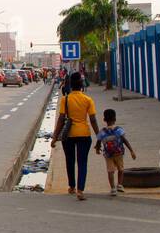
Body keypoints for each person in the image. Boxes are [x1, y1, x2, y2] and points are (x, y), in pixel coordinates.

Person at [51, 72, 100, 200]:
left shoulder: (65, 99)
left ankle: (71, 186)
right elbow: (93, 120)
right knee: (82, 162)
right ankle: (80, 191)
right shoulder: (88, 100)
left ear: (71, 86)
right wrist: (99, 137)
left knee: (70, 160)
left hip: (68, 136)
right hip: (84, 134)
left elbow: (61, 119)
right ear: (82, 85)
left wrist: (55, 137)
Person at [94, 108, 137, 195]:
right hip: (119, 153)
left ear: (104, 119)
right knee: (121, 169)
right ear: (115, 119)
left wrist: (97, 149)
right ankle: (120, 185)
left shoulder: (102, 132)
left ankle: (113, 188)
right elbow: (124, 140)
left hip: (108, 154)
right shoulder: (118, 130)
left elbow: (98, 141)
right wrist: (131, 151)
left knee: (110, 171)